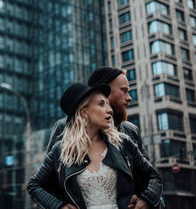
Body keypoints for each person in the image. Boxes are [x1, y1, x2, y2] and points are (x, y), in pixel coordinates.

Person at [27, 83, 162, 209]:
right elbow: (34, 185)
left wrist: (146, 199)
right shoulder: (60, 150)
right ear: (83, 111)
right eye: (102, 104)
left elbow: (154, 176)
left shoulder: (123, 143)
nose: (110, 110)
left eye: (108, 104)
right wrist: (58, 206)